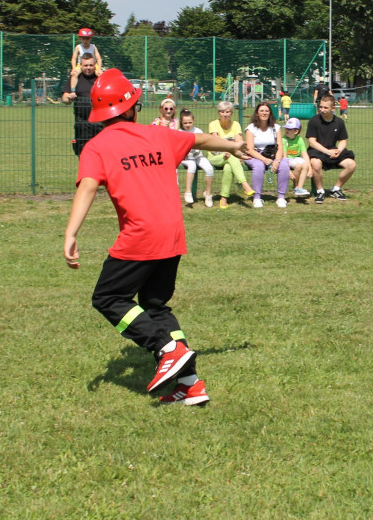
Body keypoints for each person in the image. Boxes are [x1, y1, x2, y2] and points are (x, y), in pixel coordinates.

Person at [63, 68, 247, 407]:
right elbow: (202, 140)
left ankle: (167, 349)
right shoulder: (158, 135)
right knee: (156, 306)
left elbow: (88, 186)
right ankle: (191, 386)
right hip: (173, 233)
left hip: (141, 235)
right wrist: (234, 146)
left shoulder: (96, 147)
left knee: (108, 298)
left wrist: (71, 233)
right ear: (133, 108)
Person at [306, 94, 357, 204]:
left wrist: (339, 150)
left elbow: (343, 140)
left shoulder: (339, 122)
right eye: (321, 107)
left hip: (334, 151)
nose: (322, 110)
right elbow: (312, 142)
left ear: (333, 108)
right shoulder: (314, 120)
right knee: (315, 163)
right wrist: (327, 151)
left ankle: (336, 189)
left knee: (351, 164)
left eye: (325, 107)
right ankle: (320, 191)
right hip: (317, 151)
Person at [207, 101, 255, 209]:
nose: (225, 114)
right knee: (232, 157)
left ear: (231, 113)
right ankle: (244, 184)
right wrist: (230, 148)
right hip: (215, 156)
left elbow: (239, 143)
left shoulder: (235, 124)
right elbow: (216, 143)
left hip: (230, 156)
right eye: (222, 112)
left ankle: (223, 198)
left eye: (228, 112)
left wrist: (230, 149)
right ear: (218, 113)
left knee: (229, 167)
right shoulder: (213, 124)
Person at [244, 102, 290, 208]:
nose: (264, 113)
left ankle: (281, 198)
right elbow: (249, 150)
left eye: (267, 111)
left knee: (283, 164)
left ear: (270, 113)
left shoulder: (276, 127)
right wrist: (264, 160)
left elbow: (280, 147)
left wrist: (277, 161)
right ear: (257, 113)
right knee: (259, 166)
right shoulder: (251, 128)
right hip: (255, 155)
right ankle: (257, 198)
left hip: (273, 154)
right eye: (261, 111)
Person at [60, 53, 103, 156]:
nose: (88, 68)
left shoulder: (100, 78)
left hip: (100, 124)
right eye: (85, 65)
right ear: (80, 65)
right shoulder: (75, 78)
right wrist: (69, 98)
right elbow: (64, 98)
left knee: (102, 156)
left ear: (95, 65)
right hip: (82, 125)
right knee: (84, 156)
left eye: (91, 65)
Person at [179, 109, 214, 207]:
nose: (188, 125)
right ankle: (188, 192)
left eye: (190, 122)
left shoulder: (198, 131)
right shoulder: (180, 132)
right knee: (192, 165)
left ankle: (208, 194)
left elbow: (203, 144)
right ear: (181, 122)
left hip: (198, 156)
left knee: (209, 169)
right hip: (185, 158)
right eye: (185, 123)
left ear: (193, 121)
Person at [282, 117, 312, 196]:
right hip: (287, 159)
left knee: (305, 165)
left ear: (296, 131)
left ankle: (299, 188)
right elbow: (284, 156)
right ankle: (296, 186)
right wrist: (288, 170)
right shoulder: (283, 139)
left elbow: (305, 154)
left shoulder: (300, 140)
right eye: (286, 128)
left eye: (289, 129)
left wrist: (310, 169)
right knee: (298, 166)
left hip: (296, 158)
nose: (286, 130)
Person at [69, 28, 102, 93]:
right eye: (83, 38)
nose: (85, 40)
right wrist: (73, 68)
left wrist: (99, 68)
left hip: (93, 64)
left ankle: (100, 89)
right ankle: (72, 90)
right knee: (74, 74)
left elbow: (98, 58)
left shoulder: (93, 47)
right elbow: (74, 58)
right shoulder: (78, 47)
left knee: (101, 75)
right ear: (80, 39)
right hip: (80, 64)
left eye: (87, 38)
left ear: (91, 39)